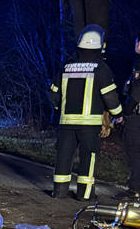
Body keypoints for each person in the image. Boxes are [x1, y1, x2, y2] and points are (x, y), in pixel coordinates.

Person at [49, 25, 122, 200]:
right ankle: (85, 194)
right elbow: (110, 98)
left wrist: (60, 110)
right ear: (99, 47)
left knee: (63, 157)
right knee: (88, 158)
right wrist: (118, 114)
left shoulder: (66, 66)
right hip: (90, 125)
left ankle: (59, 192)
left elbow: (53, 96)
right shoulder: (101, 69)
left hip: (67, 123)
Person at [121, 36, 140, 201]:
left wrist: (125, 113)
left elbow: (136, 92)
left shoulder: (139, 63)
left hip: (136, 115)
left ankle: (135, 189)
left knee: (134, 151)